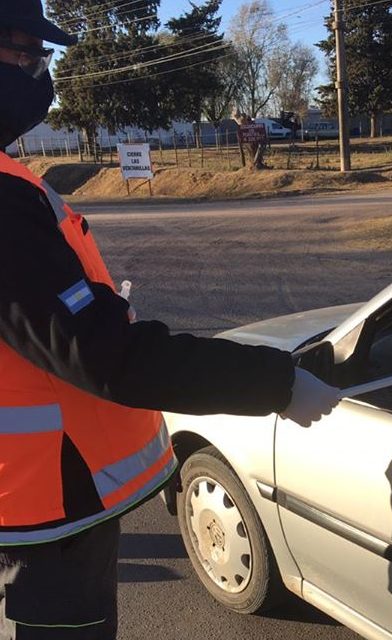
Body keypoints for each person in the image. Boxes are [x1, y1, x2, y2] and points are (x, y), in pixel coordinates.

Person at [0, 3, 338, 639]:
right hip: (46, 521)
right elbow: (104, 356)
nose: (41, 73)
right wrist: (274, 382)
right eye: (24, 54)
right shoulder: (1, 198)